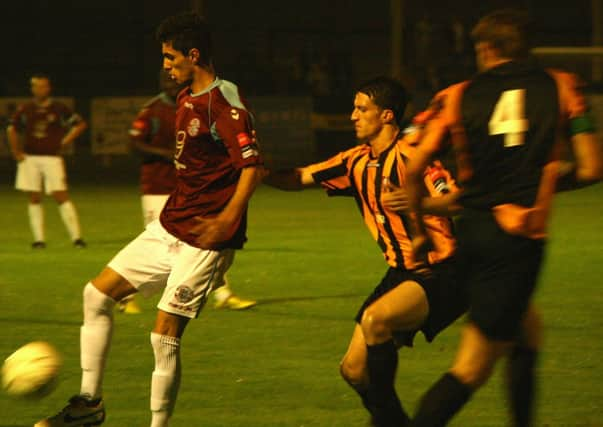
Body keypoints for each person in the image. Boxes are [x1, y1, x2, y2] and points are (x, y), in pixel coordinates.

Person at [35, 12, 263, 427]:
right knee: (96, 295)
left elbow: (251, 167)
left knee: (163, 335)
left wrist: (226, 221)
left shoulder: (223, 102)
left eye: (170, 57)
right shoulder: (185, 98)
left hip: (204, 239)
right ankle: (89, 404)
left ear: (193, 56)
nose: (165, 64)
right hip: (171, 224)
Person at [405, 9, 603, 426]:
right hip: (517, 239)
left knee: (528, 333)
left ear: (487, 49)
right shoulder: (564, 87)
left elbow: (413, 164)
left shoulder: (456, 95)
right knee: (471, 368)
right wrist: (547, 181)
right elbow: (590, 167)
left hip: (473, 232)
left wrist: (420, 233)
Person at [265, 76, 467, 427]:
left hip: (442, 271)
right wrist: (255, 170)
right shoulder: (354, 161)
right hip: (399, 273)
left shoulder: (415, 157)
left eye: (362, 109)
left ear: (387, 116)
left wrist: (421, 201)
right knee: (354, 371)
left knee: (377, 321)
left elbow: (458, 200)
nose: (353, 116)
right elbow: (298, 178)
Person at [123, 69, 257, 314]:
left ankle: (223, 294)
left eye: (172, 78)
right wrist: (163, 154)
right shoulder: (152, 110)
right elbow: (133, 143)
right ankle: (126, 295)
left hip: (187, 189)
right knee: (166, 249)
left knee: (202, 240)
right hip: (157, 187)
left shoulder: (194, 103)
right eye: (165, 80)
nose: (171, 83)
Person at [6, 74, 88, 249]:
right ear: (32, 88)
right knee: (34, 197)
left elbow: (80, 124)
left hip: (52, 157)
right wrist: (16, 151)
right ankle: (39, 240)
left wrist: (65, 141)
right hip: (30, 158)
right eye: (36, 86)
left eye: (43, 86)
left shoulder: (58, 108)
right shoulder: (25, 109)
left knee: (60, 195)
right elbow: (11, 128)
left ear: (48, 88)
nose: (40, 89)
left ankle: (77, 238)